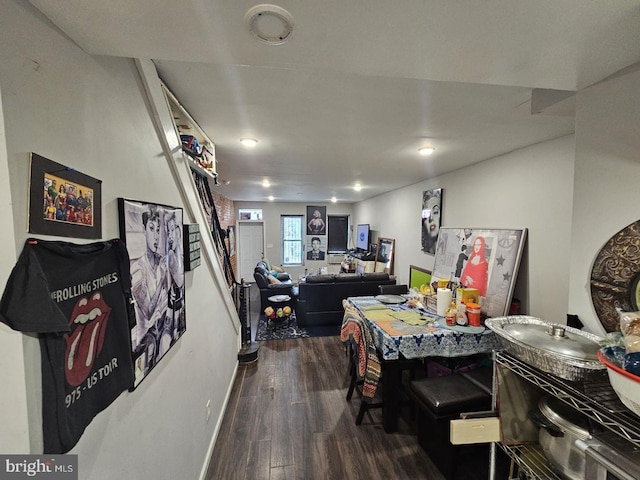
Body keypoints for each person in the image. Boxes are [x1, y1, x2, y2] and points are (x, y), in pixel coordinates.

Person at [131, 205, 168, 366]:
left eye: (158, 230)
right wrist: (164, 276)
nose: (155, 236)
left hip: (161, 336)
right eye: (151, 229)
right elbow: (149, 311)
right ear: (144, 231)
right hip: (143, 345)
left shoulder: (161, 263)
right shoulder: (137, 269)